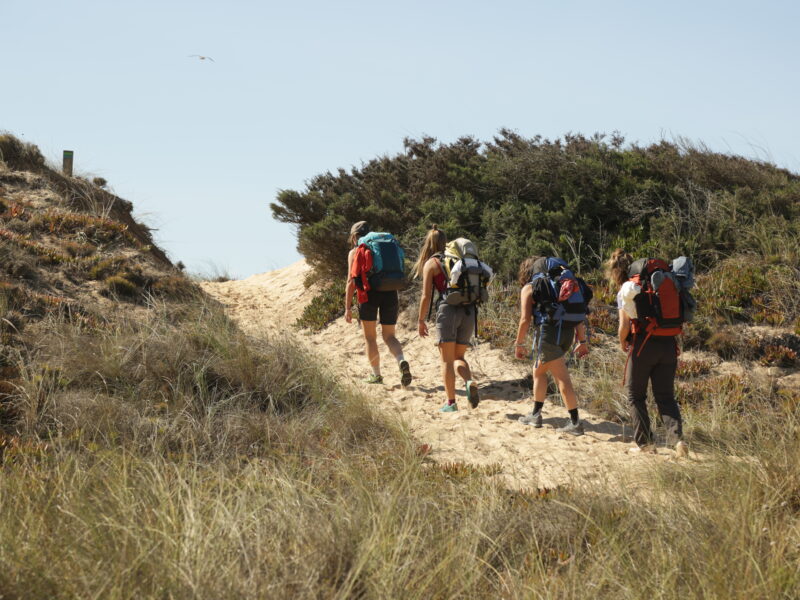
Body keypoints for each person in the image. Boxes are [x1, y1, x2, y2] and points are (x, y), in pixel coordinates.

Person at [605, 248, 688, 457]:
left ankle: (645, 444)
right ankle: (678, 441)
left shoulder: (627, 288)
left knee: (635, 395)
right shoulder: (652, 284)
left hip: (643, 345)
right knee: (665, 396)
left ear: (616, 271)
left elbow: (624, 325)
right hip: (668, 343)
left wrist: (622, 341)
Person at [514, 257, 589, 435]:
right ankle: (535, 414)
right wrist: (582, 340)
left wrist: (518, 343)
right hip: (566, 334)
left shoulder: (530, 288)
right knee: (538, 371)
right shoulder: (562, 285)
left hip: (548, 334)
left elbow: (525, 320)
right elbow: (576, 315)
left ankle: (575, 422)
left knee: (562, 377)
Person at [414, 226, 480, 412]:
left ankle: (451, 403)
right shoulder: (460, 261)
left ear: (428, 243)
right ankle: (469, 382)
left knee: (446, 361)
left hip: (448, 312)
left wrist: (421, 320)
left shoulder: (432, 264)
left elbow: (426, 296)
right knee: (459, 357)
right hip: (468, 311)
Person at [344, 221, 412, 387]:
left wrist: (347, 307)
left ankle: (376, 375)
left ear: (354, 237)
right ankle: (401, 360)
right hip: (390, 292)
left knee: (370, 337)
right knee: (390, 336)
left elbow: (351, 282)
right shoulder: (383, 244)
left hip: (369, 295)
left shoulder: (355, 251)